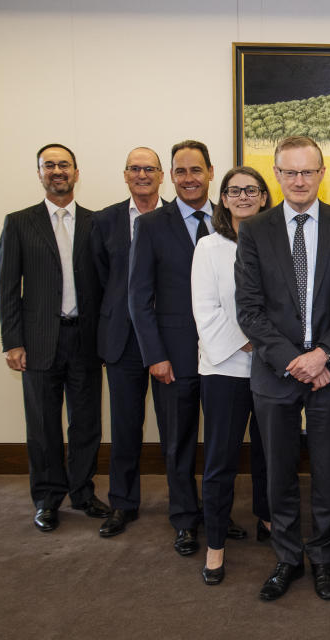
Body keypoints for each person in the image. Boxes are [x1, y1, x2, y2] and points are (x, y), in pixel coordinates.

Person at [235, 136, 330, 601]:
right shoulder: (255, 231)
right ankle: (288, 558)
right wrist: (293, 359)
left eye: (308, 171)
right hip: (275, 372)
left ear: (322, 173)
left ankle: (323, 558)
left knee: (327, 471)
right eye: (290, 172)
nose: (299, 180)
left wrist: (323, 354)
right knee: (278, 472)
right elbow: (249, 309)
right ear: (277, 176)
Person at [129, 140, 245, 556]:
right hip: (174, 355)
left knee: (219, 445)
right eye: (180, 171)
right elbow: (139, 297)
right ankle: (183, 518)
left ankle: (218, 514)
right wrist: (154, 355)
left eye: (196, 170)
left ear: (211, 173)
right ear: (170, 177)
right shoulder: (151, 225)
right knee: (178, 441)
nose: (188, 178)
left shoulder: (231, 218)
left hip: (227, 356)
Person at [0, 143, 110, 532]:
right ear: (40, 173)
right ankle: (47, 499)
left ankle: (82, 492)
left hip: (86, 340)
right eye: (50, 166)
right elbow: (7, 287)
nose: (57, 171)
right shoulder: (18, 223)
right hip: (39, 340)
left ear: (77, 173)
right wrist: (12, 341)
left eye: (64, 165)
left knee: (86, 423)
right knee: (42, 425)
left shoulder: (98, 223)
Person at [192, 166, 272, 585]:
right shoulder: (209, 247)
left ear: (263, 197)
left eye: (251, 190)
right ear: (223, 198)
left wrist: (268, 345)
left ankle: (269, 520)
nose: (243, 196)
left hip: (273, 368)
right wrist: (251, 341)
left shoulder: (275, 243)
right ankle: (216, 544)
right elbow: (205, 311)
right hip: (224, 367)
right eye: (234, 190)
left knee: (270, 456)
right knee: (221, 460)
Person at [91, 147, 167, 537]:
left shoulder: (177, 218)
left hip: (168, 342)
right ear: (125, 175)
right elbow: (100, 281)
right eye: (135, 169)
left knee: (177, 429)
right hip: (122, 340)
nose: (142, 175)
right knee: (124, 427)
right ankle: (122, 502)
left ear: (161, 175)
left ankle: (185, 506)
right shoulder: (105, 221)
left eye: (149, 169)